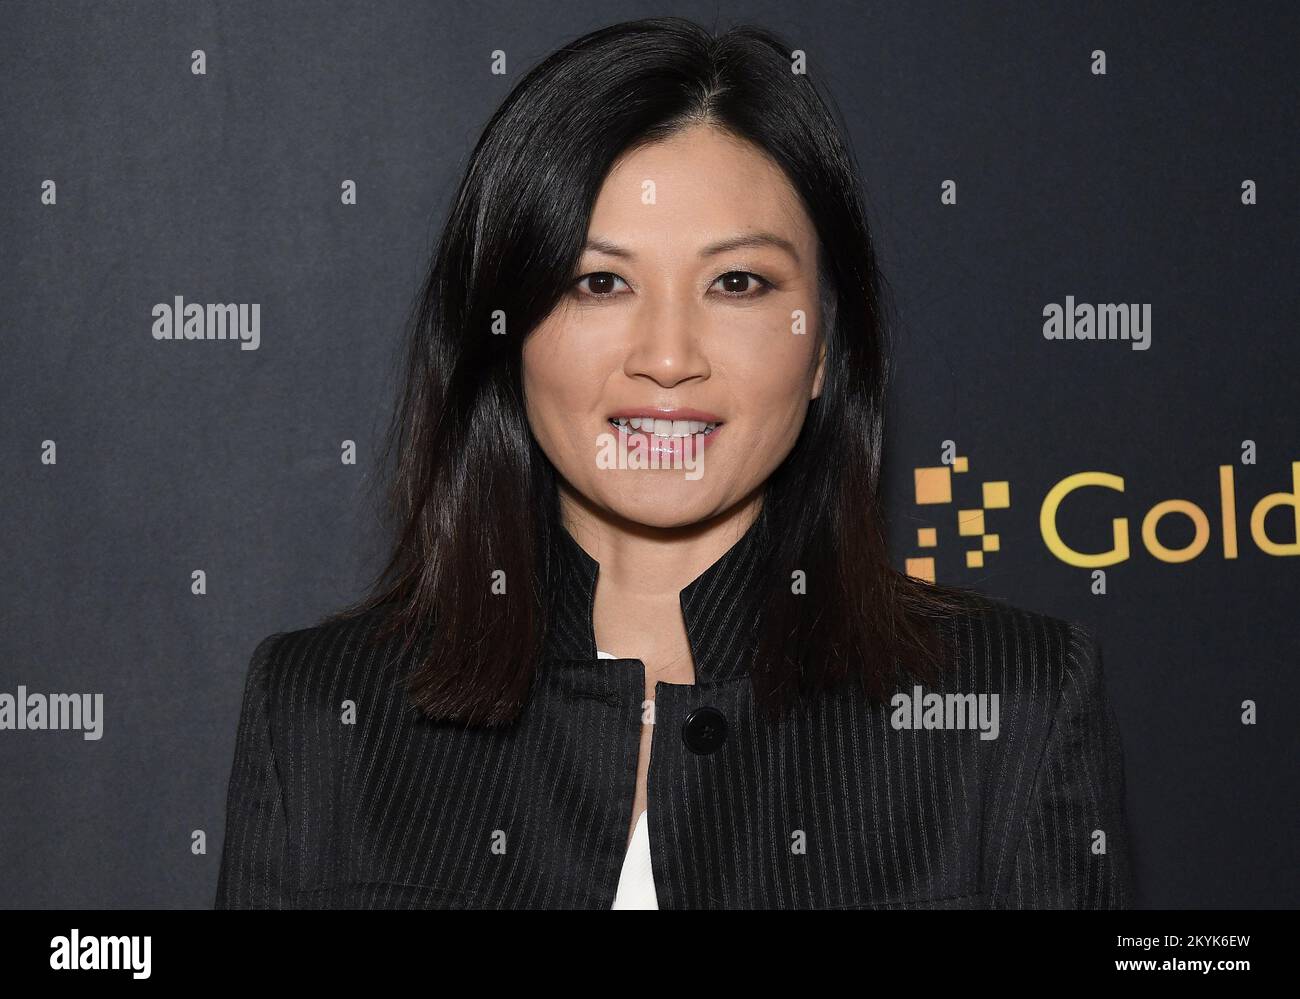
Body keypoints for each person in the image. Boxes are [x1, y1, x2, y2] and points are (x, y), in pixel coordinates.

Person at [214, 16, 1134, 909]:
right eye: (599, 282)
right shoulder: (321, 714)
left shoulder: (1011, 707)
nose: (666, 354)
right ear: (505, 333)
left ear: (824, 349)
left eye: (738, 283)